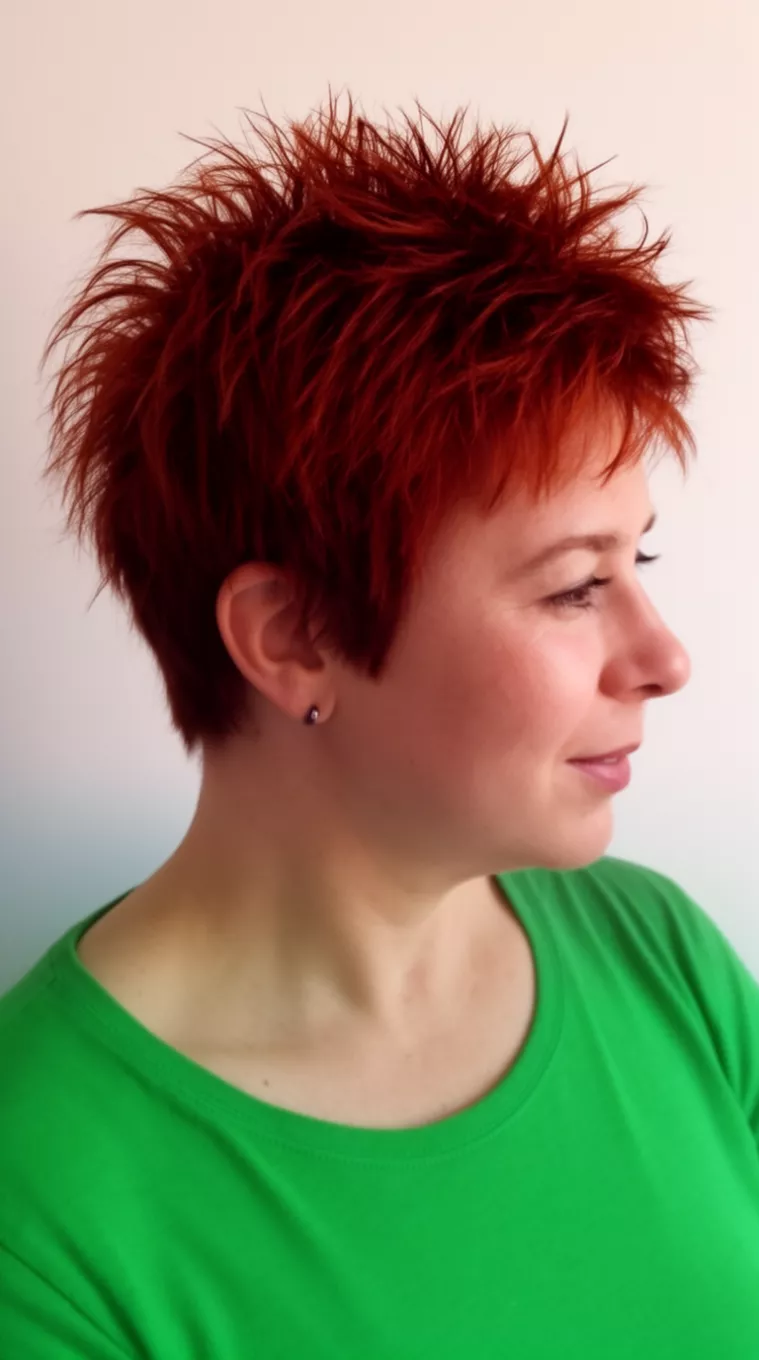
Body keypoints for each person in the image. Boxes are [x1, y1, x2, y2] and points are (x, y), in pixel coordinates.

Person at [1, 90, 758, 1358]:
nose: (665, 656)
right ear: (292, 635)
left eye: (641, 561)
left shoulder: (661, 955)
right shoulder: (48, 1212)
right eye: (577, 585)